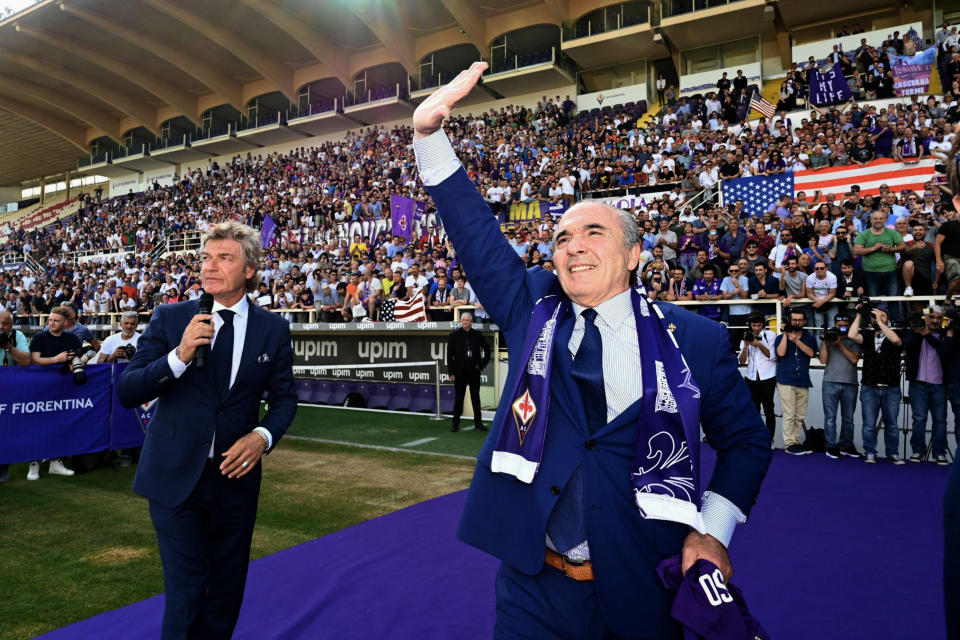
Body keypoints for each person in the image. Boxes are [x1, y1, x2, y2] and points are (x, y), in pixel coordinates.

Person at [412, 62, 771, 638]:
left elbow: (748, 443)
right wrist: (430, 139)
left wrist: (712, 530)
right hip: (533, 586)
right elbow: (478, 239)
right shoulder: (532, 308)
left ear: (633, 255)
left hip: (642, 588)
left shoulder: (696, 341)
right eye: (561, 239)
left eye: (594, 234)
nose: (573, 248)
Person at [117, 222, 297, 639]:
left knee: (226, 594)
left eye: (224, 257)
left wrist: (262, 437)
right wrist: (179, 356)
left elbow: (285, 400)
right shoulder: (172, 316)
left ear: (249, 269)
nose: (210, 266)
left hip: (236, 481)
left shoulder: (273, 328)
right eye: (205, 257)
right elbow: (128, 389)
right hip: (175, 478)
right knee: (186, 596)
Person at [28, 306, 82, 480]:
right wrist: (56, 360)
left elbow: (76, 357)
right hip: (40, 387)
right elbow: (34, 359)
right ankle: (33, 463)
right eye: (50, 319)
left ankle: (55, 462)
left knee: (59, 424)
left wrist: (77, 362)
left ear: (65, 322)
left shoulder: (72, 338)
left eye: (56, 320)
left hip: (63, 388)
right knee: (37, 425)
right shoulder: (39, 338)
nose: (51, 323)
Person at [848, 301, 905, 464]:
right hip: (870, 387)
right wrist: (859, 314)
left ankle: (892, 453)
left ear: (888, 319)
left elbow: (896, 341)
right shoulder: (867, 336)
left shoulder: (898, 332)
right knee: (869, 424)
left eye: (882, 315)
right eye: (874, 316)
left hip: (891, 388)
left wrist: (880, 320)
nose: (877, 318)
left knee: (892, 424)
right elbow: (852, 335)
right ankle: (870, 452)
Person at [904, 306, 948, 464]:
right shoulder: (914, 331)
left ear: (942, 319)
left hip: (939, 384)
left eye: (938, 318)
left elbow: (944, 350)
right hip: (918, 383)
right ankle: (918, 451)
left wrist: (927, 334)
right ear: (926, 318)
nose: (935, 321)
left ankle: (939, 453)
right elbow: (908, 349)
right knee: (919, 419)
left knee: (940, 420)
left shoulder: (945, 334)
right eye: (932, 318)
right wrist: (918, 333)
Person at [818, 314, 863, 459]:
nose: (842, 328)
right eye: (839, 325)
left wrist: (840, 344)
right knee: (830, 417)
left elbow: (854, 359)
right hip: (830, 382)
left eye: (845, 325)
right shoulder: (829, 339)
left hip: (850, 383)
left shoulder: (854, 339)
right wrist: (826, 340)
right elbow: (823, 359)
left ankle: (846, 445)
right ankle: (831, 446)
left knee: (848, 418)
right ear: (835, 325)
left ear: (849, 325)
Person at [774, 309, 817, 454]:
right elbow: (780, 353)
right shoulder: (780, 337)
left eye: (800, 320)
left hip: (803, 380)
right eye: (794, 320)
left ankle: (796, 441)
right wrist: (786, 334)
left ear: (804, 322)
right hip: (786, 379)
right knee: (789, 413)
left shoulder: (809, 338)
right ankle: (789, 443)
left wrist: (796, 339)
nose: (797, 322)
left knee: (800, 415)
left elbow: (811, 353)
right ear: (790, 321)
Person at [446, 312, 491, 433]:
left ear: (471, 322)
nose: (465, 322)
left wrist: (481, 365)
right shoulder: (453, 335)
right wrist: (451, 372)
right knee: (459, 398)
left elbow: (487, 350)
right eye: (463, 320)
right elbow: (449, 356)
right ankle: (455, 424)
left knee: (475, 398)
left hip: (474, 371)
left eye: (467, 320)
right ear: (461, 321)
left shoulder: (477, 335)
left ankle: (478, 423)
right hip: (459, 372)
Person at [0, 308, 30, 483]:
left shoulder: (16, 336)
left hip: (9, 390)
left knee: (5, 430)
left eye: (6, 324)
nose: (2, 327)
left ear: (11, 325)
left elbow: (26, 361)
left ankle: (3, 468)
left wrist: (8, 347)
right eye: (0, 323)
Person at [738, 313, 777, 436]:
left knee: (768, 409)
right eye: (753, 325)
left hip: (768, 377)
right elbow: (742, 361)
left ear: (763, 325)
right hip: (751, 377)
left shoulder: (770, 335)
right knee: (753, 410)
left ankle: (770, 438)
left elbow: (772, 356)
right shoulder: (746, 336)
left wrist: (759, 344)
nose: (756, 328)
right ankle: (757, 437)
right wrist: (745, 346)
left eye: (759, 325)